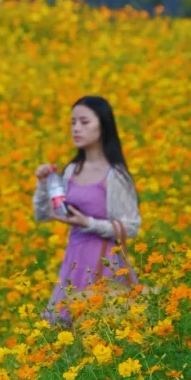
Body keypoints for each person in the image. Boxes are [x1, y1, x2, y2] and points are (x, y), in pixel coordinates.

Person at [34, 96, 141, 323]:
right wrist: (44, 184)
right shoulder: (72, 170)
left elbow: (131, 226)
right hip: (74, 260)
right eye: (73, 123)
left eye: (84, 122)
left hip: (105, 262)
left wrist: (89, 224)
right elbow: (44, 215)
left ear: (103, 125)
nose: (76, 129)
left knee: (102, 329)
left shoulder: (115, 175)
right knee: (65, 332)